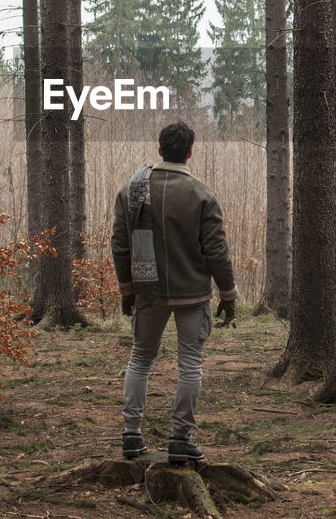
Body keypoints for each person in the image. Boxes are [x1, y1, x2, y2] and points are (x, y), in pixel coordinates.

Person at [111, 121, 238, 464]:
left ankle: (131, 435)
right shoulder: (202, 194)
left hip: (147, 289)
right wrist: (228, 294)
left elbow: (120, 246)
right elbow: (217, 252)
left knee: (140, 359)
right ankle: (180, 438)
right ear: (190, 152)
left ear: (159, 150)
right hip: (192, 293)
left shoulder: (132, 191)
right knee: (190, 365)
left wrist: (127, 289)